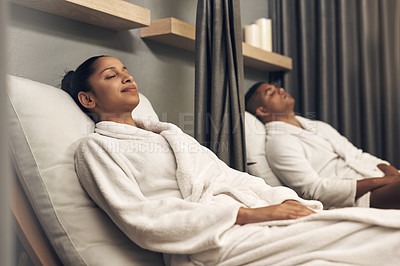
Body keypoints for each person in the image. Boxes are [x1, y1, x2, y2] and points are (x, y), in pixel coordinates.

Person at [63, 56, 400, 265]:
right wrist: (247, 214)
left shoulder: (173, 137)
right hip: (210, 242)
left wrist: (284, 201)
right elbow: (141, 218)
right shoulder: (95, 150)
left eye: (126, 70)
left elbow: (235, 178)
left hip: (257, 223)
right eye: (111, 75)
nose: (127, 77)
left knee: (371, 236)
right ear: (87, 98)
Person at [245, 81, 400, 209]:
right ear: (263, 111)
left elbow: (356, 154)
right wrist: (383, 181)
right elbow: (314, 190)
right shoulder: (279, 143)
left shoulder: (318, 126)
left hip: (381, 178)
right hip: (361, 196)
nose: (281, 90)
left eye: (277, 88)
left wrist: (391, 171)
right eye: (271, 93)